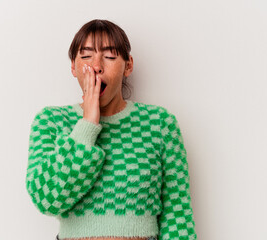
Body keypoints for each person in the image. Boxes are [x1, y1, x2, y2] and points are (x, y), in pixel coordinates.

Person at [25, 19, 198, 240]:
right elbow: (46, 200)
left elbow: (177, 213)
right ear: (73, 66)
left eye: (109, 56)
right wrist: (88, 124)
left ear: (128, 65)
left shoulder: (160, 124)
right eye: (86, 56)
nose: (97, 66)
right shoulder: (51, 121)